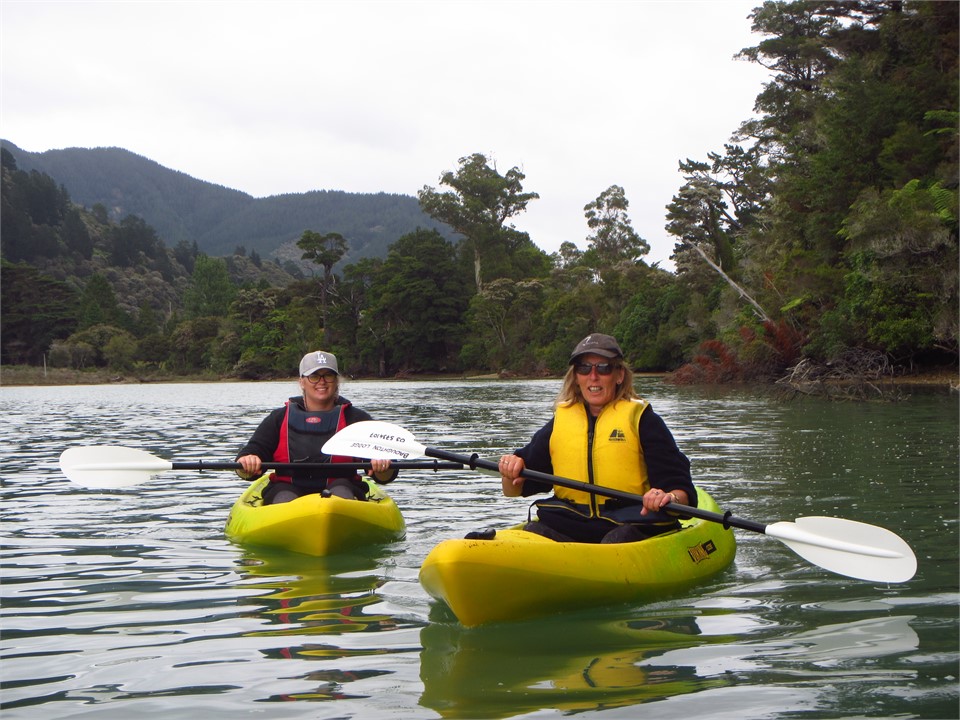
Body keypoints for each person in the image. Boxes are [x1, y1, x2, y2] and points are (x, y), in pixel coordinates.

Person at [497, 333, 697, 543]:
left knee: (617, 539)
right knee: (534, 531)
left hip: (630, 523)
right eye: (584, 368)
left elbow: (682, 492)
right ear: (576, 377)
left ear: (619, 375)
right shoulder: (561, 421)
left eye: (603, 368)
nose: (593, 376)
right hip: (570, 523)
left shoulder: (644, 421)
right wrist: (510, 469)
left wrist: (668, 497)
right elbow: (514, 489)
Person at [236, 350, 396, 504]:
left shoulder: (356, 419)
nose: (322, 381)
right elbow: (251, 457)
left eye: (328, 375)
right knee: (283, 497)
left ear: (336, 380)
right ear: (302, 382)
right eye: (314, 376)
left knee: (342, 492)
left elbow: (385, 476)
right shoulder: (279, 418)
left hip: (343, 490)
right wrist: (248, 462)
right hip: (286, 489)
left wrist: (382, 465)